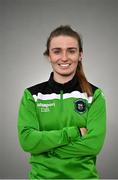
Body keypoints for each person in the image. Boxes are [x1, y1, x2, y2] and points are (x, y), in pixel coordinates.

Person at [17, 25, 106, 179]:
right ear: (49, 56)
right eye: (57, 51)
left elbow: (93, 145)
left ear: (80, 55)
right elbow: (27, 141)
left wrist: (46, 148)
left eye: (71, 51)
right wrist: (74, 133)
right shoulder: (32, 95)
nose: (64, 58)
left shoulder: (94, 95)